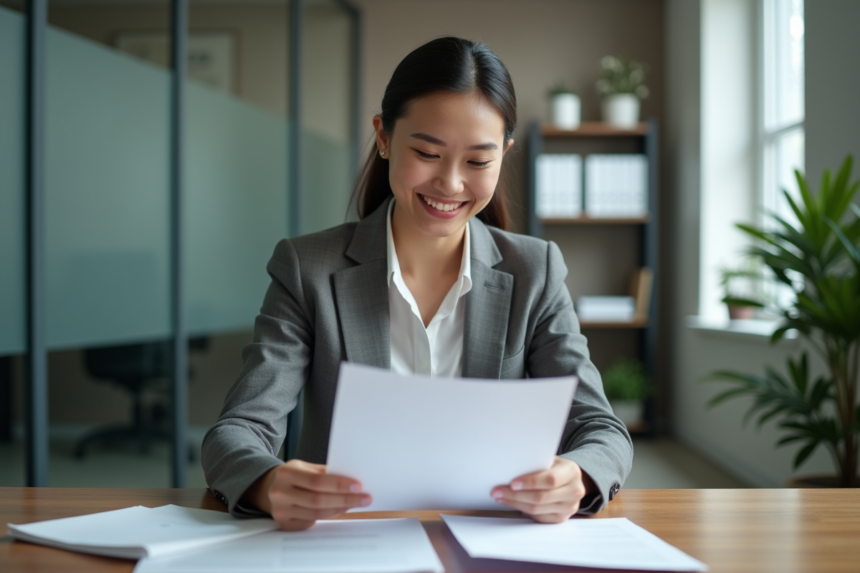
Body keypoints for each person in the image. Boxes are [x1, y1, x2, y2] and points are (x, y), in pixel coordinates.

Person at [202, 36, 633, 532]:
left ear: (504, 155)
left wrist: (576, 475)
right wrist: (267, 483)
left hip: (490, 539)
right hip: (347, 542)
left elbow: (602, 430)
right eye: (427, 152)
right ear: (383, 137)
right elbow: (237, 431)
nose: (450, 184)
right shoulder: (307, 269)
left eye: (477, 162)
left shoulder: (534, 271)